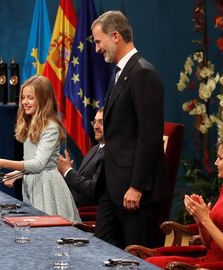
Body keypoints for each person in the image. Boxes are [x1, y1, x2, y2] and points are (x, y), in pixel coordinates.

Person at [91, 11, 165, 248]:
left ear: (115, 36)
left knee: (136, 258)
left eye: (98, 42)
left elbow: (150, 137)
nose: (97, 49)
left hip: (134, 193)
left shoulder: (143, 73)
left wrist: (136, 187)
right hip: (112, 188)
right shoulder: (119, 74)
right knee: (99, 253)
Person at [0, 75, 81, 222]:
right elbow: (31, 161)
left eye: (30, 98)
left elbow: (39, 164)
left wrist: (2, 163)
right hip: (32, 184)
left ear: (43, 100)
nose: (24, 102)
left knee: (50, 231)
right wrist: (17, 173)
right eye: (23, 97)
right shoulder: (31, 124)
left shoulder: (51, 127)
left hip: (47, 189)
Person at [147, 134, 223, 267]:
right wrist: (200, 220)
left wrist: (205, 219)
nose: (215, 162)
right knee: (148, 263)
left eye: (220, 158)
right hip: (207, 259)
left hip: (222, 265)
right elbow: (207, 243)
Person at [57, 108, 105, 207]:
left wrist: (68, 171)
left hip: (88, 213)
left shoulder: (109, 153)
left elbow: (93, 189)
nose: (96, 127)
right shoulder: (95, 149)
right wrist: (64, 173)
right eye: (94, 122)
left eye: (101, 122)